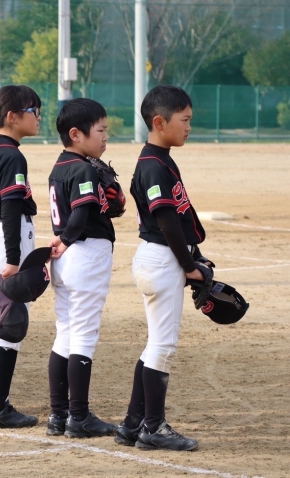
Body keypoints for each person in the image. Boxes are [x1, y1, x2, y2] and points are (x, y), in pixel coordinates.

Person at [115, 85, 204, 451]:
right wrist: (189, 266)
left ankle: (132, 424)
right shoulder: (153, 164)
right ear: (159, 122)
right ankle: (154, 428)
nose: (189, 127)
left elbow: (176, 220)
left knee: (156, 344)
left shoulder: (160, 158)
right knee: (163, 346)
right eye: (184, 120)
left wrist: (194, 257)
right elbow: (166, 220)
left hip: (161, 256)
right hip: (162, 257)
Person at [45, 98, 117, 438]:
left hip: (66, 259)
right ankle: (79, 417)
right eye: (100, 130)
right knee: (84, 336)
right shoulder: (84, 169)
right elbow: (82, 211)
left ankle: (58, 415)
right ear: (76, 134)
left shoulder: (58, 166)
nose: (105, 137)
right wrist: (66, 239)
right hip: (84, 254)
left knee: (66, 333)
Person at [0, 85, 42, 428]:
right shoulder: (11, 155)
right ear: (12, 117)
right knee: (9, 325)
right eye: (33, 110)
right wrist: (14, 259)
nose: (39, 117)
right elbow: (12, 208)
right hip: (5, 241)